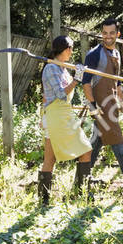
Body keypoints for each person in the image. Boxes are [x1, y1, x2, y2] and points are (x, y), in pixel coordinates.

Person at [38, 35, 93, 206]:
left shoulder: (62, 68)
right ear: (66, 49)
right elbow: (61, 95)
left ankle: (80, 194)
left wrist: (75, 76)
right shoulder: (50, 69)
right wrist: (77, 79)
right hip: (56, 116)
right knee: (83, 151)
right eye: (71, 48)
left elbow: (65, 96)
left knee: (54, 158)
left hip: (64, 114)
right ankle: (45, 200)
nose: (72, 52)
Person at [81, 17, 123, 181]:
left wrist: (122, 102)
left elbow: (117, 82)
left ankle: (83, 177)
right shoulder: (94, 55)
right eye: (105, 33)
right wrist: (93, 107)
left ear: (117, 34)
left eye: (111, 33)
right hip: (101, 107)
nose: (108, 36)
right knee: (116, 139)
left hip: (112, 105)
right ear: (101, 34)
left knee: (97, 141)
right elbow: (86, 83)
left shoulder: (117, 53)